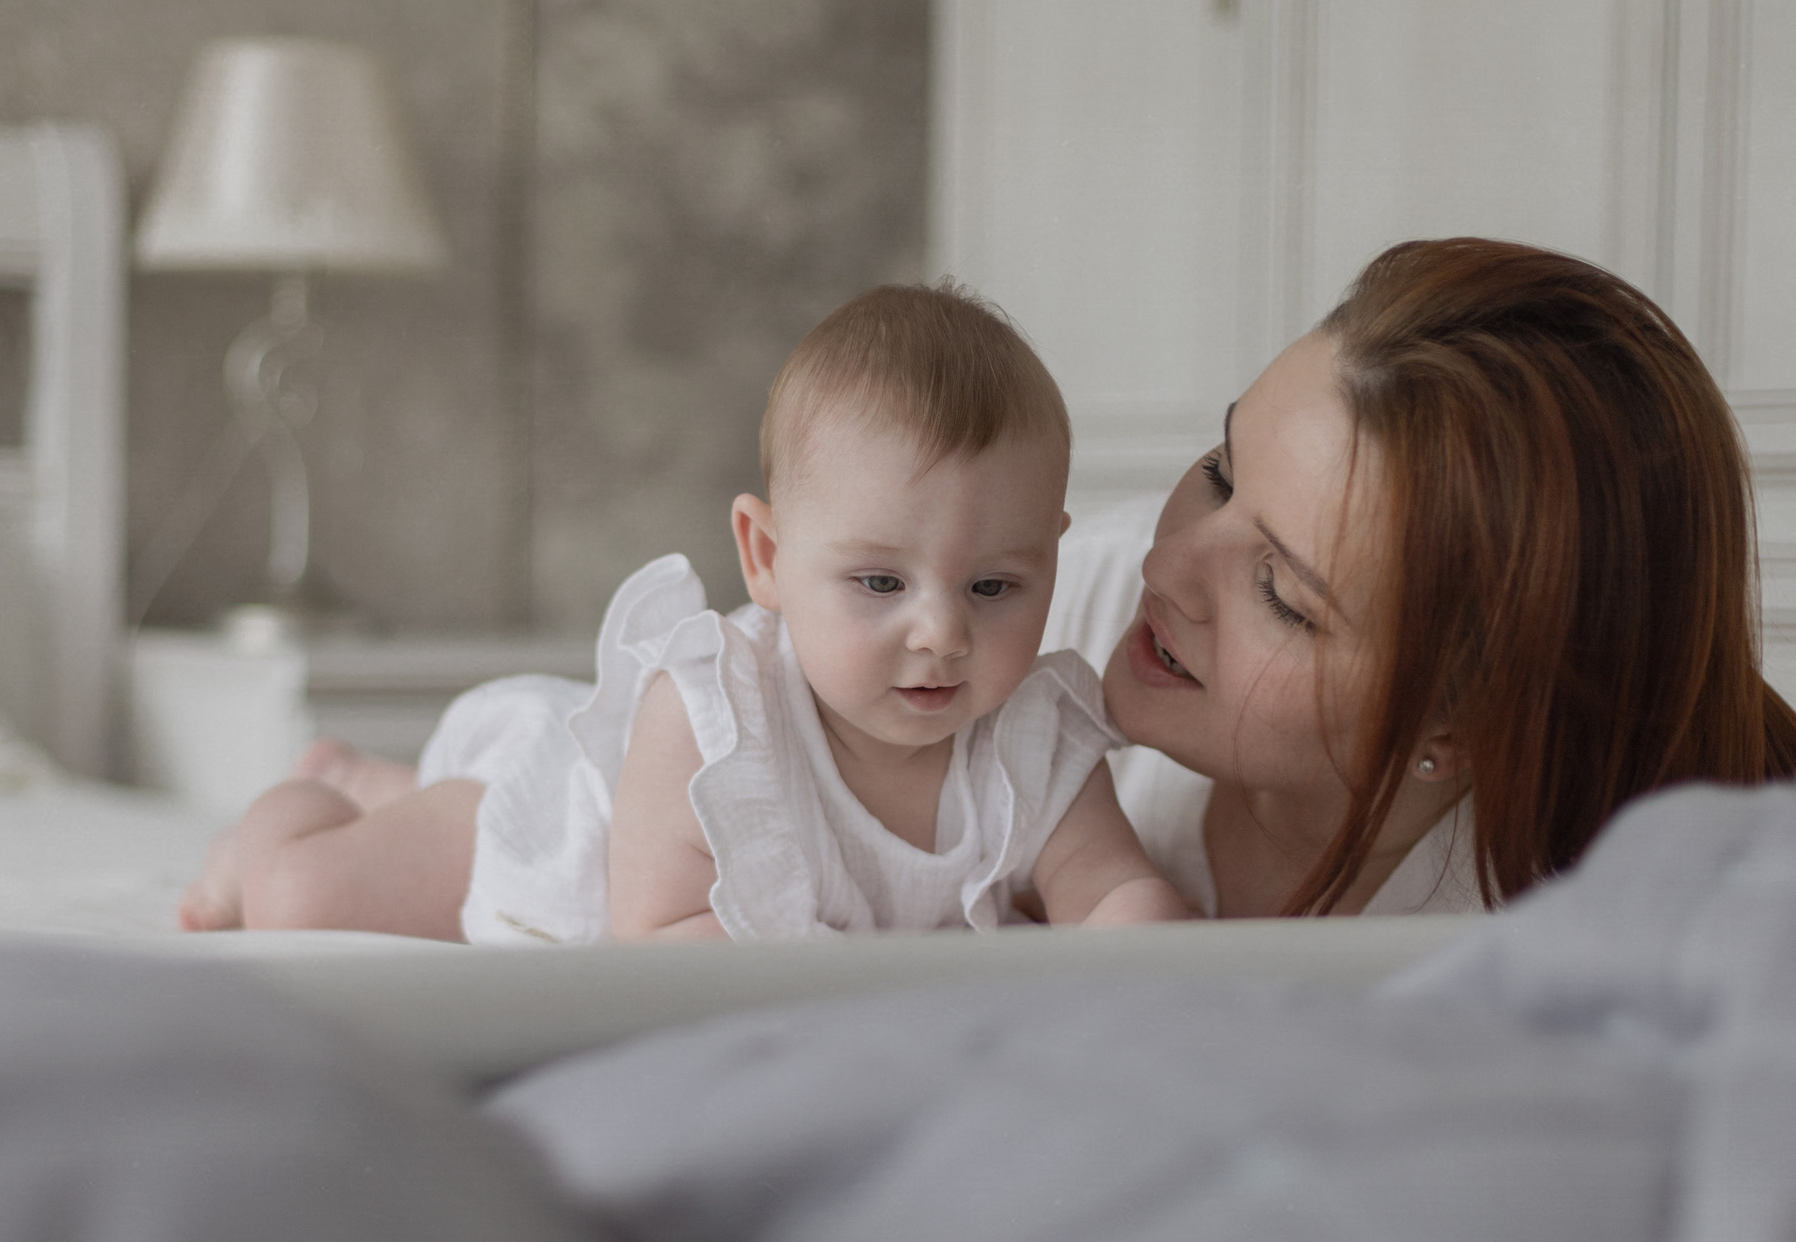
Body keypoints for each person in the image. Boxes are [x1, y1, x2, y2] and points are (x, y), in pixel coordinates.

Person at [180, 283, 1193, 942]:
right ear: (764, 558)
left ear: (1049, 564)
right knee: (300, 903)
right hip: (583, 839)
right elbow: (659, 939)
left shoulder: (1036, 741)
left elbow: (1110, 889)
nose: (942, 632)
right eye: (880, 583)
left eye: (993, 586)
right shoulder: (707, 714)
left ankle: (377, 779)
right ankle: (305, 804)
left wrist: (1136, 927)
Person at [1042, 236, 1796, 918]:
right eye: (1221, 471)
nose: (1165, 564)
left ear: (1456, 730)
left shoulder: (1544, 955)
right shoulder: (1031, 602)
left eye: (1283, 596)